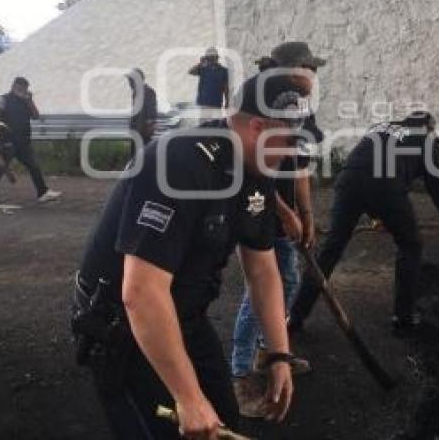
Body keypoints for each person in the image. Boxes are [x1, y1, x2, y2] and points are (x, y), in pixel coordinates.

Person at [72, 73, 304, 439]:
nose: (293, 154)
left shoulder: (257, 170)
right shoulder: (179, 164)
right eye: (290, 142)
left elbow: (263, 271)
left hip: (184, 315)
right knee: (175, 427)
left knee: (224, 417)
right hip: (124, 327)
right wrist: (188, 397)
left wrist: (278, 354)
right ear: (258, 127)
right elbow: (141, 293)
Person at [289, 111, 439, 336]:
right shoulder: (428, 139)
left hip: (348, 181)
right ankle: (403, 318)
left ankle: (295, 317)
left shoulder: (380, 127)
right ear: (430, 126)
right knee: (411, 245)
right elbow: (435, 183)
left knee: (330, 249)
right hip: (387, 187)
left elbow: (368, 166)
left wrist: (378, 216)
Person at [230, 42, 326, 417]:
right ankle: (240, 370)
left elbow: (298, 162)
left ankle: (269, 352)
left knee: (284, 277)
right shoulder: (259, 95)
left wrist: (307, 213)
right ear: (295, 68)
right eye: (310, 69)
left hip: (278, 202)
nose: (315, 77)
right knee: (263, 279)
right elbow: (252, 165)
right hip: (256, 199)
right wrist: (284, 211)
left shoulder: (297, 104)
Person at [0, 77, 62, 204]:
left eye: (24, 88)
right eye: (20, 87)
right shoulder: (3, 99)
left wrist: (29, 101)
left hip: (24, 140)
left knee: (34, 166)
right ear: (13, 86)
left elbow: (36, 116)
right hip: (8, 140)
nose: (22, 90)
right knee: (1, 167)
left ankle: (43, 193)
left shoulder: (26, 101)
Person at [126, 68, 158, 159]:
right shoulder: (136, 93)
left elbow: (151, 112)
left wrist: (149, 126)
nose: (129, 83)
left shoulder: (148, 92)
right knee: (135, 158)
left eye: (131, 80)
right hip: (136, 132)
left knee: (143, 158)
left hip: (143, 132)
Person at [189, 47, 229, 113]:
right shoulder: (203, 69)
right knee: (203, 122)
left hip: (216, 103)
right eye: (210, 57)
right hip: (203, 103)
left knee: (215, 122)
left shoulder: (224, 71)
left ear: (217, 57)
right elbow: (191, 72)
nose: (212, 59)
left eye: (213, 57)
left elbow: (226, 88)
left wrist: (227, 102)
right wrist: (200, 64)